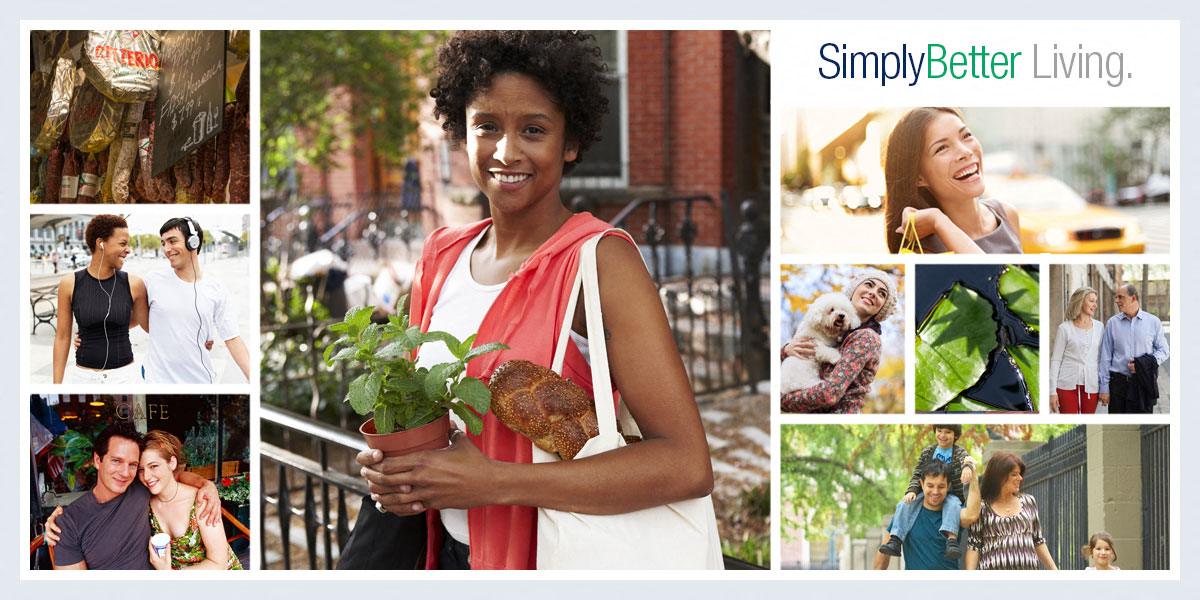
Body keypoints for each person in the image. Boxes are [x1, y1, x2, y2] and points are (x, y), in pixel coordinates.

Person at [347, 30, 714, 570]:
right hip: (445, 557)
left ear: (571, 143)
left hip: (547, 560)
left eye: (534, 130)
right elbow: (422, 417)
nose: (507, 151)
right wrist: (393, 466)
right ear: (462, 131)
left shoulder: (599, 262)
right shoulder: (440, 257)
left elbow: (687, 466)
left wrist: (497, 483)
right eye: (487, 126)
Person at [43, 422, 220, 569]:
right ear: (98, 460)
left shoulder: (142, 485)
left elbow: (174, 476)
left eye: (133, 464)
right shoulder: (67, 522)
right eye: (116, 461)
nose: (125, 472)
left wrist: (207, 485)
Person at [883, 107, 1022, 254]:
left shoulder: (1006, 214)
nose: (965, 152)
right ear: (919, 177)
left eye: (966, 135)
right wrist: (938, 221)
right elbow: (993, 273)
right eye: (942, 148)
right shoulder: (924, 252)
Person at [141, 217, 250, 384]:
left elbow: (232, 337)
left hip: (200, 382)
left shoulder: (216, 288)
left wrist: (253, 380)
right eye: (163, 243)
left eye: (172, 241)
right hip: (157, 381)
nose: (166, 249)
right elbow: (127, 317)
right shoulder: (151, 281)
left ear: (193, 242)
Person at [780, 268, 898, 413]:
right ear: (854, 290)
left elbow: (829, 394)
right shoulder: (835, 334)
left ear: (881, 308)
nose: (873, 293)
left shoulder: (865, 337)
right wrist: (786, 351)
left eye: (882, 294)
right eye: (869, 285)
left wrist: (781, 401)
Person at [52, 214, 147, 384]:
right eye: (123, 243)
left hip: (124, 377)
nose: (128, 250)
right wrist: (57, 385)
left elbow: (150, 324)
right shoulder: (69, 284)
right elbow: (62, 337)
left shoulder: (134, 284)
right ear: (101, 243)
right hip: (83, 377)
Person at [142, 430, 242, 570]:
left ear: (172, 463)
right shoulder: (145, 502)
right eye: (141, 469)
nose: (146, 476)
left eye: (154, 466)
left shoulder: (200, 501)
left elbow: (219, 564)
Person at [878, 425, 976, 560]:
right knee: (904, 503)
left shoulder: (959, 452)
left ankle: (951, 540)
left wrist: (967, 467)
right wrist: (912, 490)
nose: (942, 435)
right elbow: (918, 473)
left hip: (951, 493)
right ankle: (895, 539)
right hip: (928, 492)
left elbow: (967, 461)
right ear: (935, 432)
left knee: (953, 506)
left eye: (948, 432)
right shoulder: (928, 452)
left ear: (955, 436)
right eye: (939, 431)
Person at [872, 459, 981, 570]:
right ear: (922, 484)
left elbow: (972, 515)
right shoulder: (906, 513)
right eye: (930, 486)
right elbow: (884, 553)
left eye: (941, 486)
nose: (935, 492)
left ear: (948, 486)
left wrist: (974, 477)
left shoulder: (954, 511)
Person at [966, 451, 1058, 570]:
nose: (1020, 478)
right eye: (1014, 474)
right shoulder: (982, 507)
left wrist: (1056, 572)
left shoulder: (1028, 501)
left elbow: (1038, 541)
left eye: (1020, 474)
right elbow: (974, 546)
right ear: (999, 476)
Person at [1098, 283, 1169, 413]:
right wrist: (1104, 388)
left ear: (1133, 298)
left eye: (1121, 297)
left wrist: (1144, 365)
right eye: (1116, 297)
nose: (1116, 301)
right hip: (1118, 385)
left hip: (1142, 383)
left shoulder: (1153, 322)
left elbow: (1164, 350)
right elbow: (1105, 357)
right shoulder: (1112, 323)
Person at [1050, 286, 1104, 413]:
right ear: (1080, 301)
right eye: (1091, 301)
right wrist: (1052, 392)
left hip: (1091, 384)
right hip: (1066, 384)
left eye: (1096, 301)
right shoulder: (1064, 328)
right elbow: (1056, 360)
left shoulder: (1100, 327)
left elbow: (1102, 359)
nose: (1095, 305)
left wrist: (1104, 387)